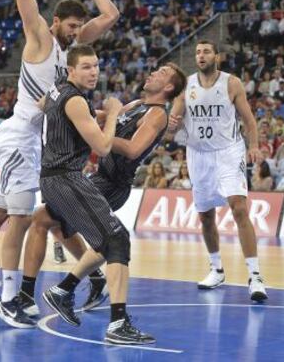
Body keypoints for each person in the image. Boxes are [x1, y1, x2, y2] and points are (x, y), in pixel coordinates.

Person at [0, 0, 119, 328]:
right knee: (22, 217)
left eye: (79, 28)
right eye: (71, 27)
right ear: (56, 21)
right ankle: (9, 299)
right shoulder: (41, 37)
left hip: (35, 142)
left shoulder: (72, 52)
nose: (76, 33)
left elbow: (111, 15)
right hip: (19, 136)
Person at [19, 62, 186, 325]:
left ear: (168, 87)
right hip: (98, 177)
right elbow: (101, 117)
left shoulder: (157, 114)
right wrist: (78, 114)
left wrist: (94, 136)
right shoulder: (136, 105)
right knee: (51, 223)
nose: (154, 72)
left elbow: (132, 150)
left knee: (81, 231)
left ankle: (56, 290)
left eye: (162, 73)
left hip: (113, 184)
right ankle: (79, 284)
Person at [39, 44, 155, 344]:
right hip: (65, 178)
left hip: (58, 178)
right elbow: (102, 147)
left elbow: (45, 105)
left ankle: (63, 291)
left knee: (111, 238)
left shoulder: (58, 91)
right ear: (71, 70)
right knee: (116, 238)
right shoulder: (75, 100)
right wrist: (114, 113)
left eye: (96, 66)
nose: (94, 72)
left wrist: (110, 112)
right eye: (87, 67)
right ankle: (117, 325)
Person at [169, 40, 268, 302]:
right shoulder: (186, 85)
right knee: (205, 217)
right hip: (198, 154)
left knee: (239, 208)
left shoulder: (231, 83)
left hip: (228, 151)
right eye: (198, 52)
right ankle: (216, 269)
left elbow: (248, 119)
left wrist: (254, 145)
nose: (201, 55)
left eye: (206, 51)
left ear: (217, 56)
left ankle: (255, 276)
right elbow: (173, 126)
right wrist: (170, 123)